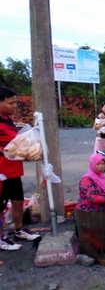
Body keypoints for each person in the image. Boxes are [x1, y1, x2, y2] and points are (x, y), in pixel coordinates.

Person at [0, 86, 41, 252]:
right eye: (11, 103)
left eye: (15, 103)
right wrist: (5, 151)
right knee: (0, 206)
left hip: (14, 168)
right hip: (1, 171)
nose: (14, 107)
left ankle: (19, 230)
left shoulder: (8, 119)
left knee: (17, 202)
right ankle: (1, 238)